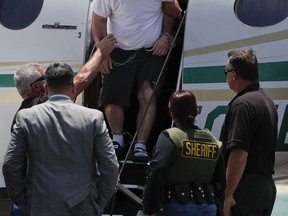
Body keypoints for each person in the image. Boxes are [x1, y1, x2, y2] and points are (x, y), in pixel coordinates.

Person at [3, 62, 119, 216]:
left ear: (46, 88)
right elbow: (110, 166)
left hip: (40, 205)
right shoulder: (93, 117)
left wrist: (23, 201)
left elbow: (10, 166)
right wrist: (98, 203)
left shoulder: (26, 117)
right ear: (72, 86)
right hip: (83, 206)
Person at [91, 0, 175, 162]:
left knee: (147, 94)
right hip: (116, 50)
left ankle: (140, 145)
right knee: (112, 95)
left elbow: (169, 10)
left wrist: (166, 36)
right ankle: (117, 138)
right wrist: (103, 53)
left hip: (151, 51)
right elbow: (98, 20)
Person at [142, 90, 226, 216]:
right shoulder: (212, 140)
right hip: (208, 207)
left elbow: (157, 170)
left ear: (172, 113)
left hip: (176, 206)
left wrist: (150, 207)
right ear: (196, 111)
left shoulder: (169, 136)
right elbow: (221, 180)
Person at [220, 49, 278, 216]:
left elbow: (239, 154)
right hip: (265, 188)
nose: (226, 76)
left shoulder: (243, 105)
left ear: (234, 74)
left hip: (246, 189)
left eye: (226, 72)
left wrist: (229, 194)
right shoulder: (266, 101)